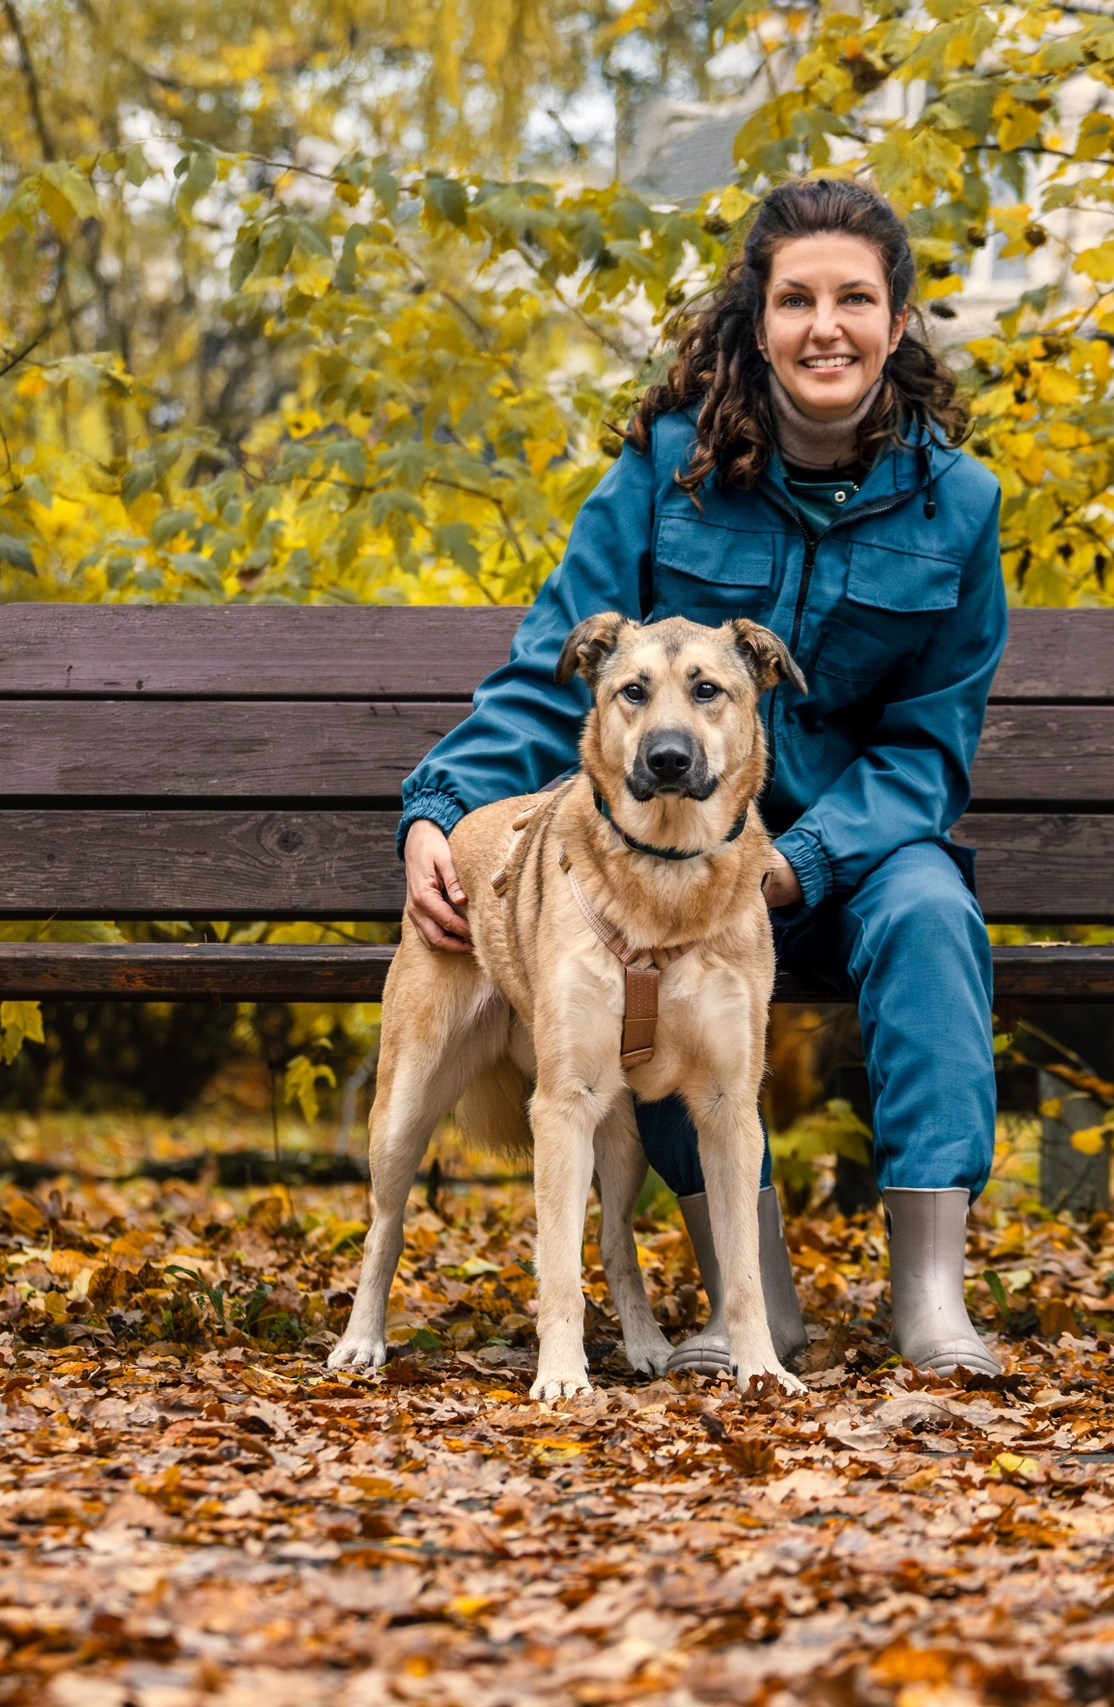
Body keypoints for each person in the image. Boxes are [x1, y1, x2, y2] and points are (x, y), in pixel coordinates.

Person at [395, 175, 1006, 1377]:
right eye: (795, 300)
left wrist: (799, 860)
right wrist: (441, 807)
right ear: (757, 321)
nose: (824, 327)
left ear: (896, 322)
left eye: (854, 300)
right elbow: (557, 670)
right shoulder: (665, 470)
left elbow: (930, 743)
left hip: (856, 859)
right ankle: (748, 1297)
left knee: (936, 918)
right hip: (674, 854)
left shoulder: (959, 506)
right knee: (635, 935)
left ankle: (933, 1300)